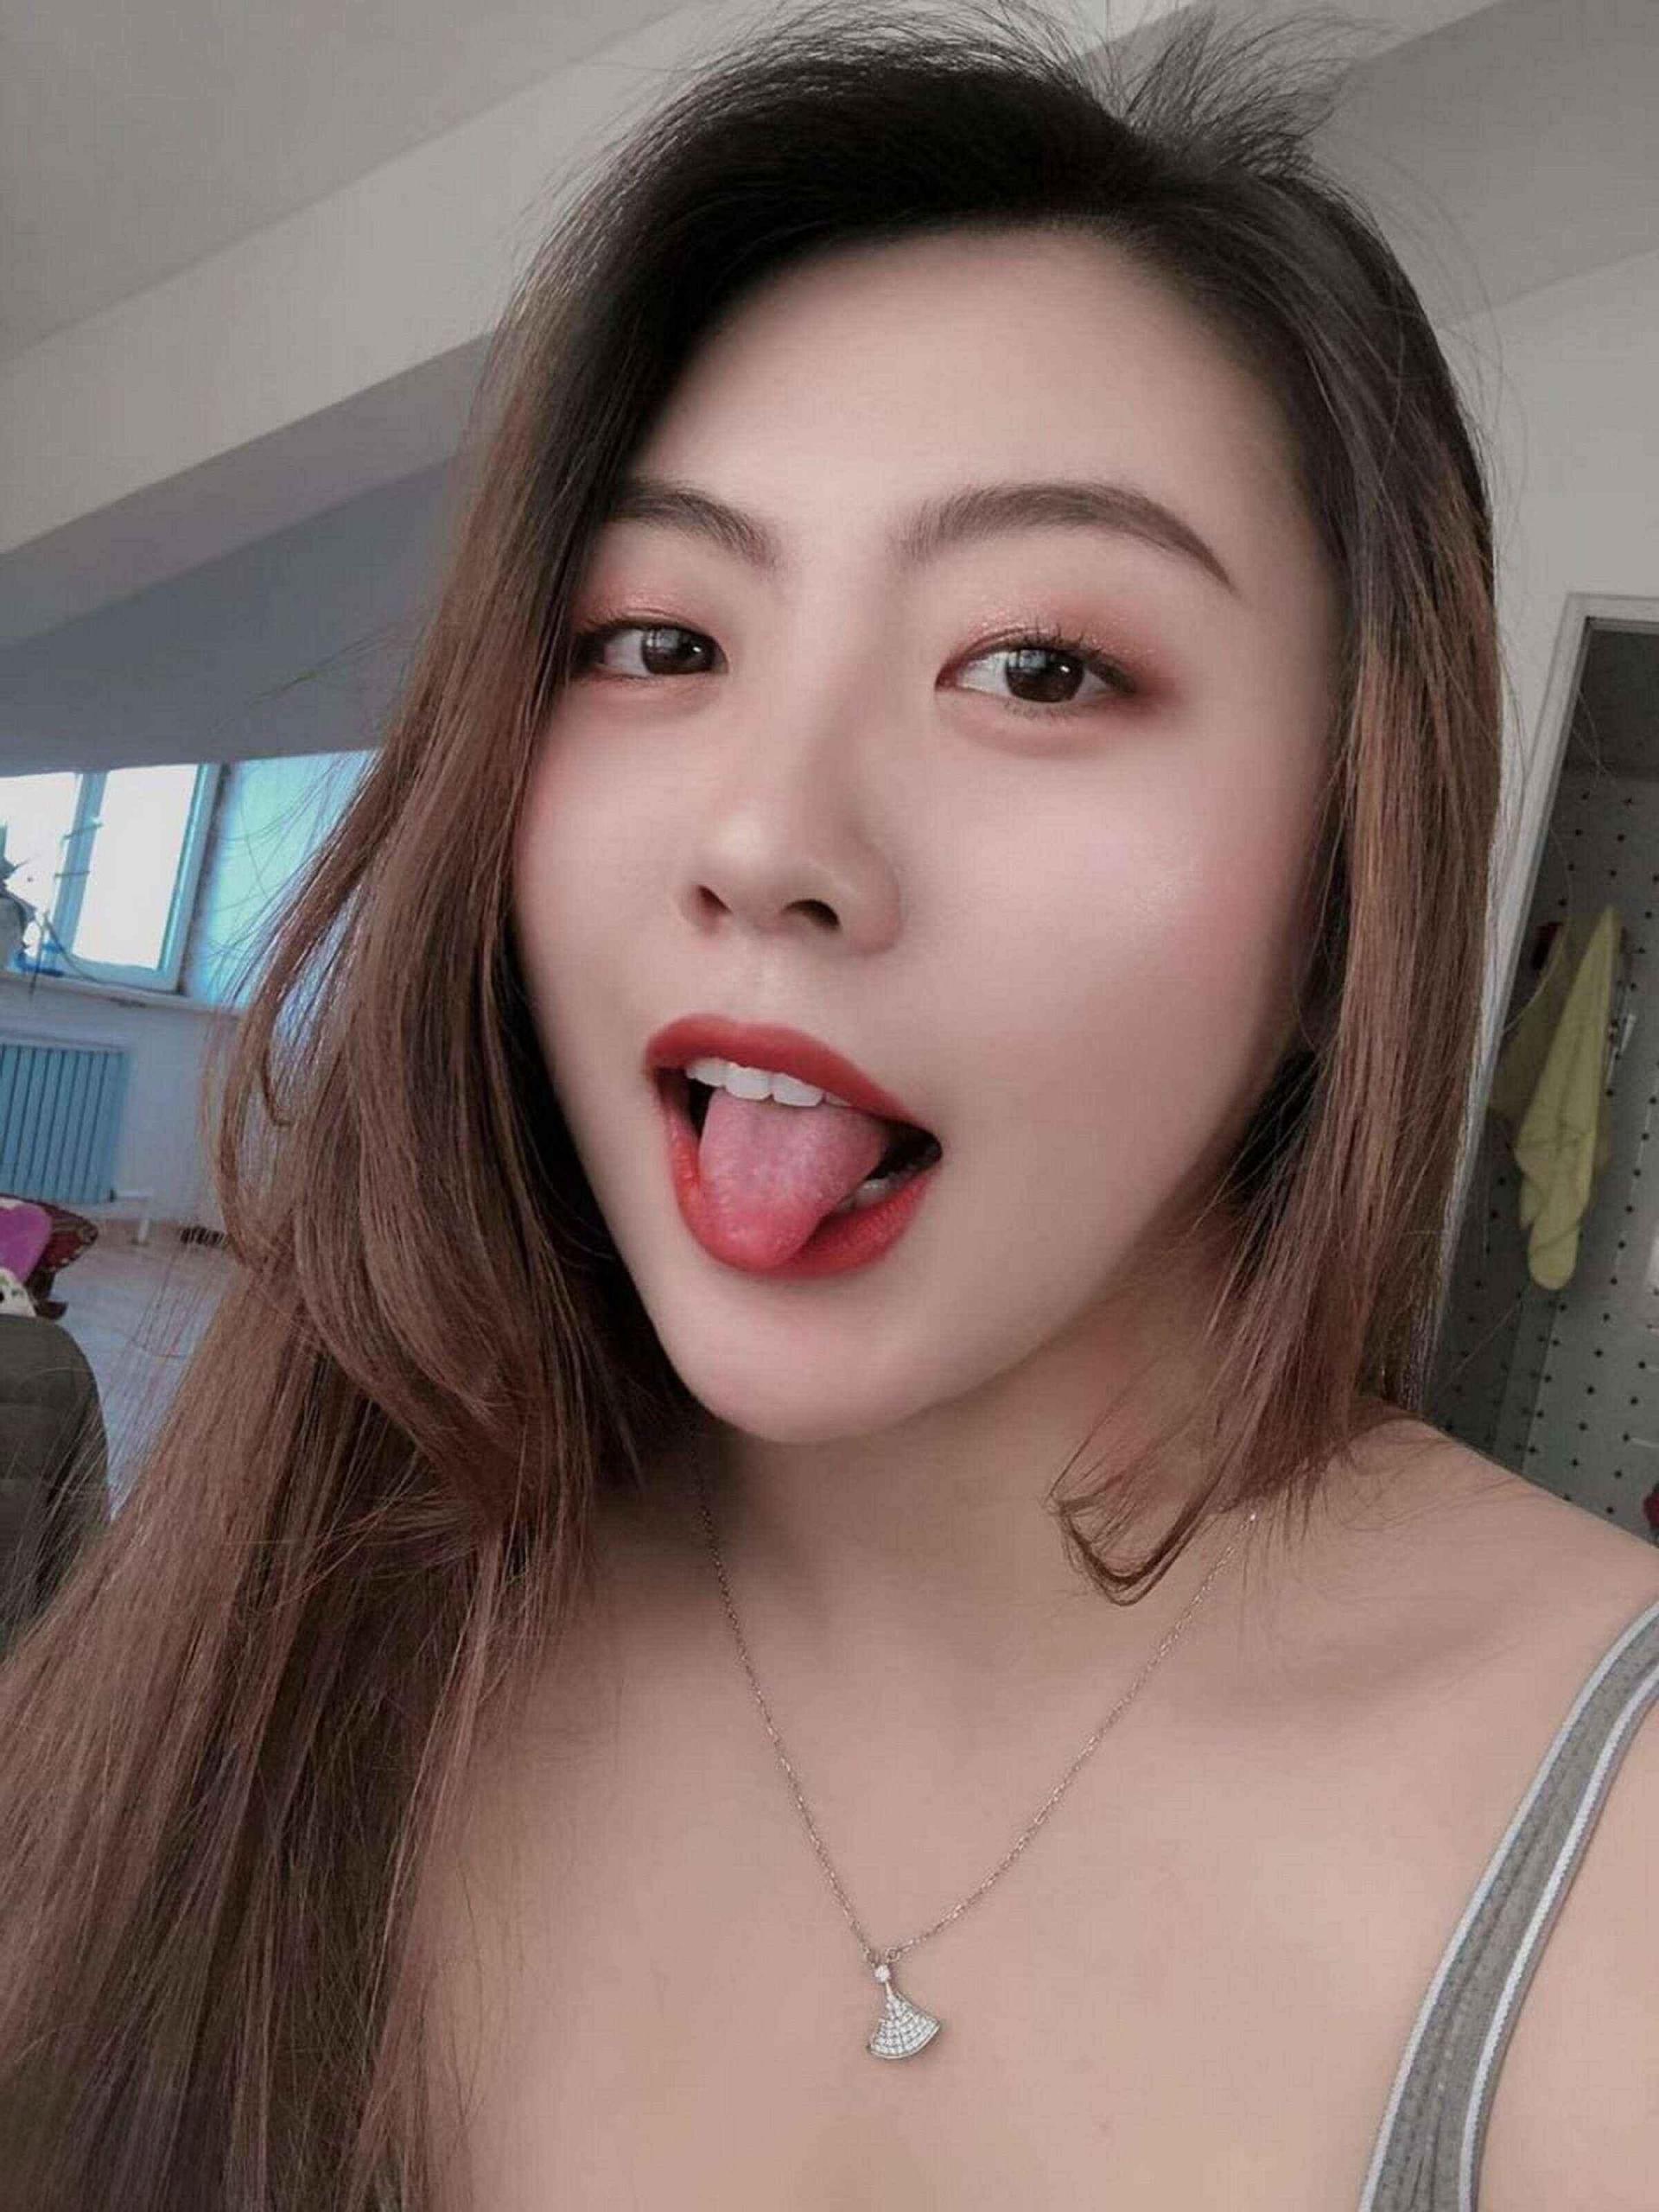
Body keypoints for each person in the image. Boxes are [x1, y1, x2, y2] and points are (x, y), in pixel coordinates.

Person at [2, 3, 1655, 2204]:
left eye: (1040, 666)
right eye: (658, 639)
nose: (770, 833)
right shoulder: (283, 1596)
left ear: (1351, 863)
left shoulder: (1610, 1887)